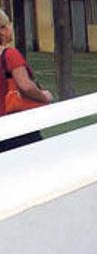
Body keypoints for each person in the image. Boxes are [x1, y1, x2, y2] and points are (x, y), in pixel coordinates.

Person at [0, 9, 53, 153]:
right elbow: (25, 86)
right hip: (15, 123)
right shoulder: (10, 54)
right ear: (3, 30)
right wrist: (45, 96)